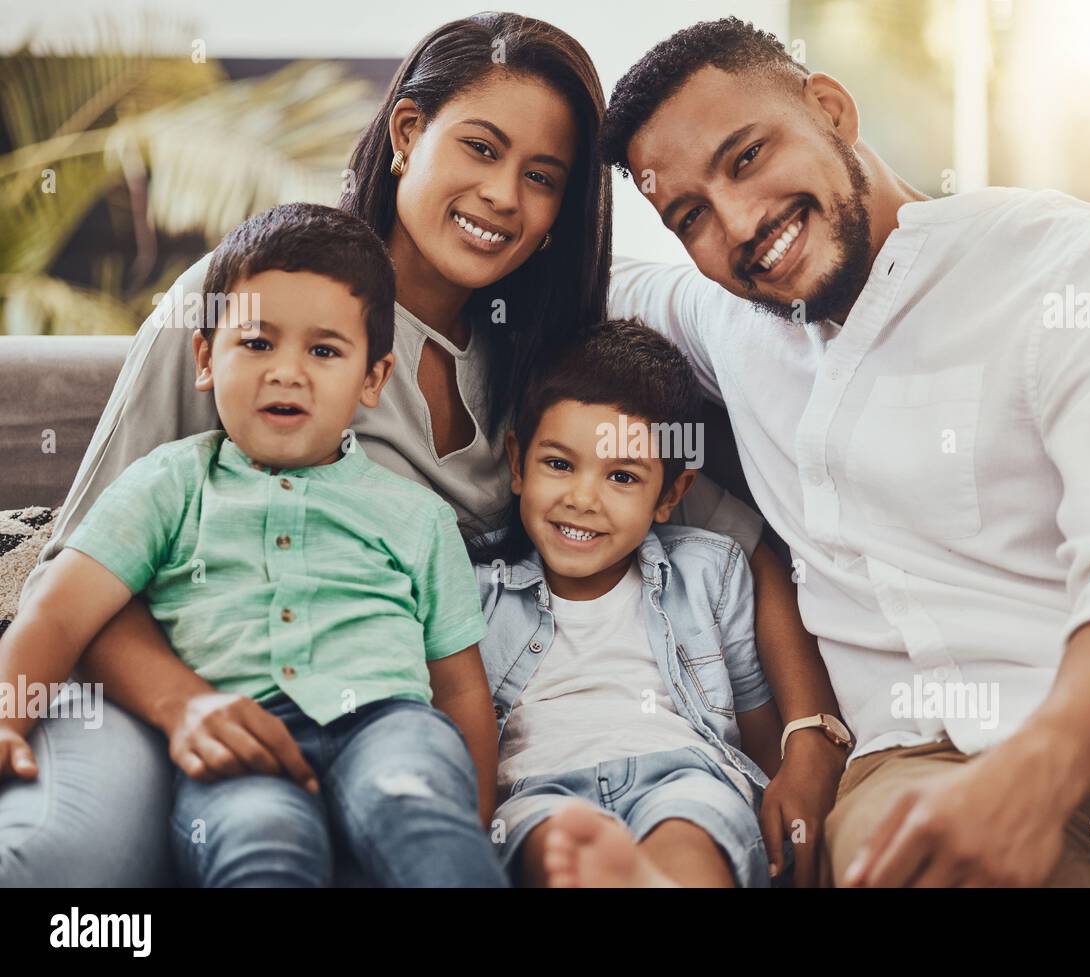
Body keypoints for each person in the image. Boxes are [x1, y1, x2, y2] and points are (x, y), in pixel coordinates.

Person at [2, 12, 838, 887]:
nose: (503, 196)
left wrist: (809, 739)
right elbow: (77, 566)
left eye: (541, 177)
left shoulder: (549, 355)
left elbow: (740, 544)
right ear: (408, 132)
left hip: (382, 723)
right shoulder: (248, 306)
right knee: (60, 860)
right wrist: (186, 706)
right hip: (171, 688)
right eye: (479, 148)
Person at [601, 16, 1090, 886]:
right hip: (922, 764)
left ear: (832, 108)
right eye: (690, 215)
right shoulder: (727, 321)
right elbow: (569, 269)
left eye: (747, 156)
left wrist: (1035, 772)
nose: (739, 223)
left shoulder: (1085, 272)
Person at [0, 204, 506, 887]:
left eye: (324, 350)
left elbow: (461, 688)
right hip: (237, 738)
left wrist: (475, 819)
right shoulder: (169, 482)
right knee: (260, 844)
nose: (286, 372)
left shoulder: (417, 515)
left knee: (416, 811)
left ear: (372, 379)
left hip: (388, 724)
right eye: (258, 343)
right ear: (206, 358)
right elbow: (59, 611)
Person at [473, 319, 852, 887]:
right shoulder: (479, 586)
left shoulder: (709, 574)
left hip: (684, 772)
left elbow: (756, 724)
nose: (582, 498)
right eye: (559, 464)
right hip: (537, 786)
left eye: (622, 476)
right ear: (517, 461)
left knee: (694, 830)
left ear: (671, 495)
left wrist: (787, 799)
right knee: (551, 843)